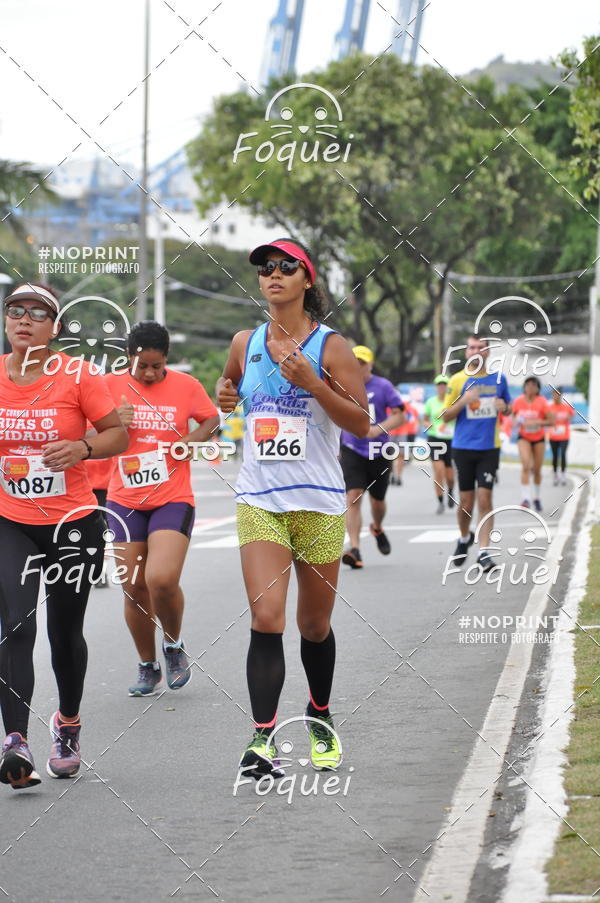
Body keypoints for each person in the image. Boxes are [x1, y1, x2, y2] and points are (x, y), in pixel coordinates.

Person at [216, 238, 369, 778]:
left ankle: (320, 716)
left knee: (313, 626)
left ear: (307, 280)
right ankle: (262, 741)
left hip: (320, 504)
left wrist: (313, 385)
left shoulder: (332, 347)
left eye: (286, 267)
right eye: (264, 268)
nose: (272, 274)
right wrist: (224, 394)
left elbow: (358, 423)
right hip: (260, 499)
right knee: (266, 616)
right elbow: (231, 383)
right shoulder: (245, 341)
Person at [0, 283, 127, 790]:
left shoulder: (78, 375)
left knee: (63, 633)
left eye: (38, 313)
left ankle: (68, 724)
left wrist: (83, 447)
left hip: (72, 522)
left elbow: (117, 434)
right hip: (10, 519)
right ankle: (16, 740)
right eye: (15, 311)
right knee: (14, 625)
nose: (24, 319)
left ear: (54, 328)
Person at [105, 322, 219, 697]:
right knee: (133, 586)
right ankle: (147, 665)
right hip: (124, 500)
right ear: (129, 358)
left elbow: (211, 418)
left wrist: (190, 440)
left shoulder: (186, 386)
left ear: (167, 359)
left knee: (161, 578)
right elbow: (84, 434)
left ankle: (173, 645)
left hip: (172, 496)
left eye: (158, 366)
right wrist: (110, 424)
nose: (151, 373)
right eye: (143, 367)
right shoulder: (108, 386)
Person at [441, 334, 511, 572]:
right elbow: (445, 416)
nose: (476, 351)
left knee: (485, 499)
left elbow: (508, 407)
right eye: (472, 347)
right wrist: (464, 401)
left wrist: (505, 408)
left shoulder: (499, 379)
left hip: (489, 448)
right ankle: (463, 538)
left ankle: (484, 552)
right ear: (466, 352)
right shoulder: (458, 380)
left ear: (488, 352)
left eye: (481, 348)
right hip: (463, 448)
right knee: (466, 503)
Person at [340, 346, 404, 568]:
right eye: (354, 362)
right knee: (353, 496)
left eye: (362, 362)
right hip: (352, 448)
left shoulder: (383, 386)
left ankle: (377, 526)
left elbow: (400, 415)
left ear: (370, 365)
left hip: (379, 451)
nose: (358, 366)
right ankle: (355, 549)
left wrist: (379, 429)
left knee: (378, 501)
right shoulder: (342, 385)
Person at [512, 377, 553, 511]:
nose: (530, 388)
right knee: (525, 465)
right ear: (524, 387)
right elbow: (513, 419)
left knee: (536, 469)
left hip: (539, 438)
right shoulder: (518, 401)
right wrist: (517, 421)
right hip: (523, 437)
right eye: (527, 385)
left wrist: (537, 423)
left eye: (533, 385)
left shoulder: (542, 402)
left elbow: (551, 421)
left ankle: (536, 497)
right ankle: (525, 499)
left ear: (537, 389)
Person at [422, 375, 456, 514]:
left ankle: (451, 491)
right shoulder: (431, 402)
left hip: (451, 440)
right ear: (436, 387)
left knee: (450, 475)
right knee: (439, 471)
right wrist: (429, 425)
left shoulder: (453, 402)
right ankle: (440, 501)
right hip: (435, 439)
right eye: (439, 384)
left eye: (444, 384)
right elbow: (424, 420)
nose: (442, 387)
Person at [548, 387, 573, 486]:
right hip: (553, 436)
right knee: (555, 456)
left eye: (557, 394)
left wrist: (567, 417)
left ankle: (562, 474)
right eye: (553, 394)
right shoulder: (549, 407)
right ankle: (555, 474)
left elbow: (571, 415)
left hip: (564, 436)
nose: (555, 396)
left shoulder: (566, 407)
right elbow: (546, 418)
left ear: (561, 395)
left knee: (563, 454)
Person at [390, 397, 418, 485]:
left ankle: (398, 477)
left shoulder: (405, 405)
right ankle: (392, 476)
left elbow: (410, 418)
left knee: (401, 456)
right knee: (388, 456)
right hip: (389, 432)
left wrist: (401, 419)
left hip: (402, 433)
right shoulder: (387, 403)